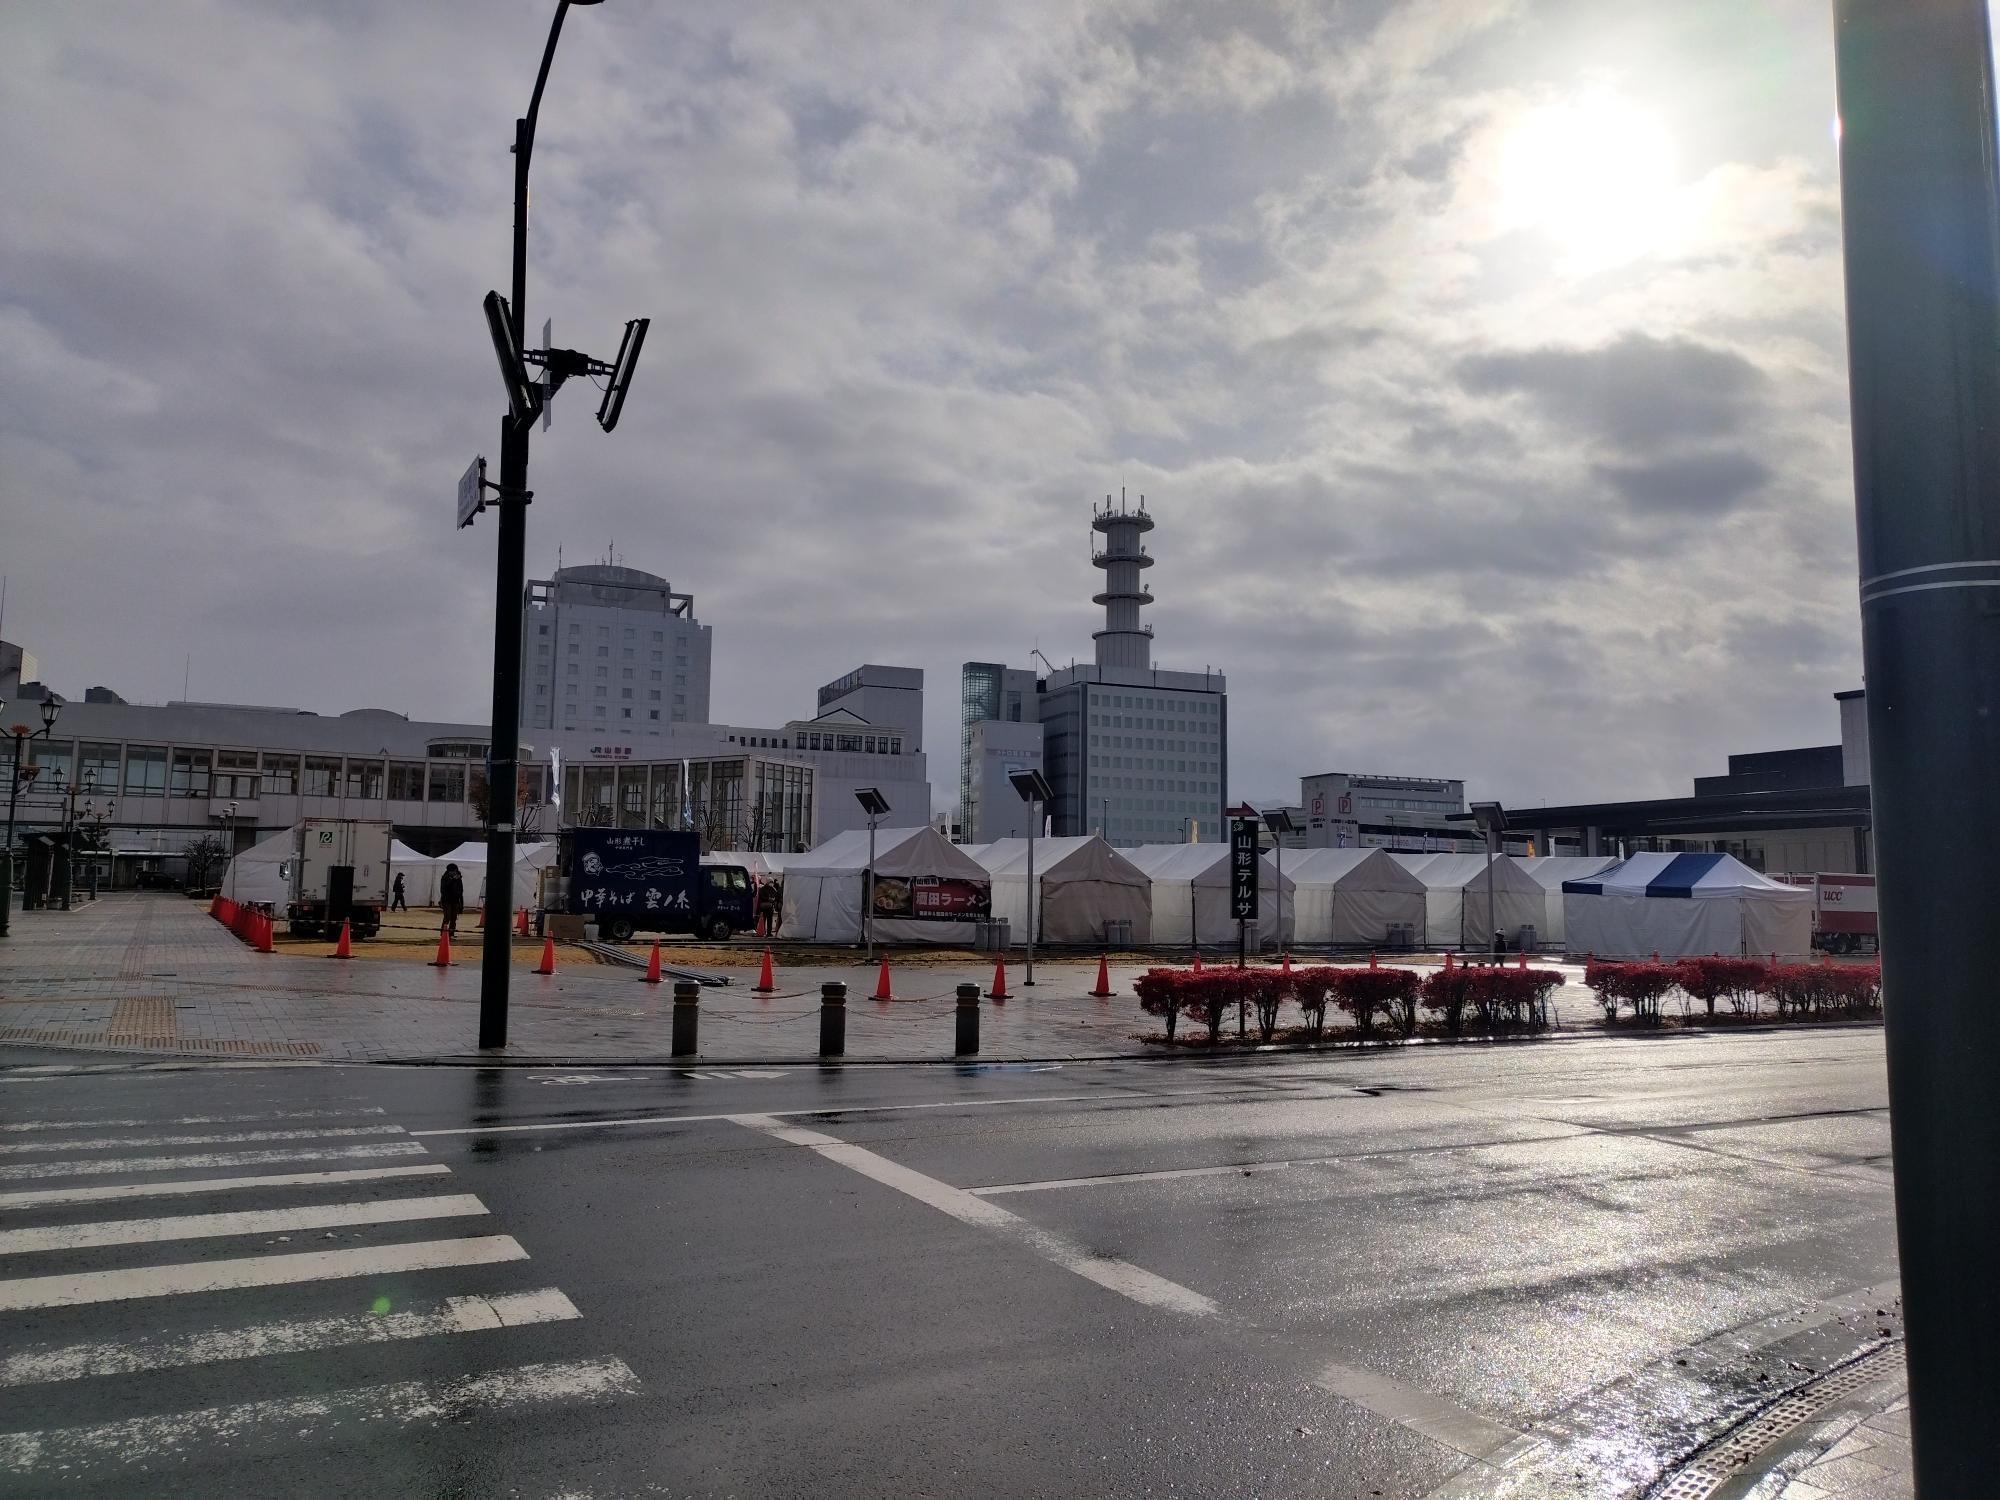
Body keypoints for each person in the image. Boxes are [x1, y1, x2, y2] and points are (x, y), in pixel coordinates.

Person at [439, 863, 464, 937]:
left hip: (456, 901)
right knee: (447, 917)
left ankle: (451, 933)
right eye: (454, 871)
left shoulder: (458, 879)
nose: (455, 872)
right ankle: (443, 934)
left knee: (454, 918)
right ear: (449, 871)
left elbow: (461, 891)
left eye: (456, 871)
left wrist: (461, 904)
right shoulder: (445, 878)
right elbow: (444, 889)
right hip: (447, 901)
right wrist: (453, 880)